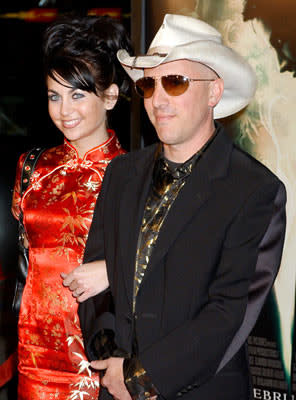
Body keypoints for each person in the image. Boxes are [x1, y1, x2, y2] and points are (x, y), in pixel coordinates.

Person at [74, 14, 286, 400]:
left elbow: (228, 315)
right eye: (149, 84)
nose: (159, 99)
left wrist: (140, 376)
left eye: (175, 81)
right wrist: (111, 363)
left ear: (214, 92)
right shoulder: (122, 174)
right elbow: (94, 285)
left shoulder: (254, 190)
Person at [11, 14, 132, 400]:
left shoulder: (133, 174)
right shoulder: (32, 167)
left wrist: (114, 269)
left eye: (78, 94)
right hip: (33, 352)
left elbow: (168, 263)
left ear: (110, 96)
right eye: (54, 95)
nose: (64, 110)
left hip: (99, 353)